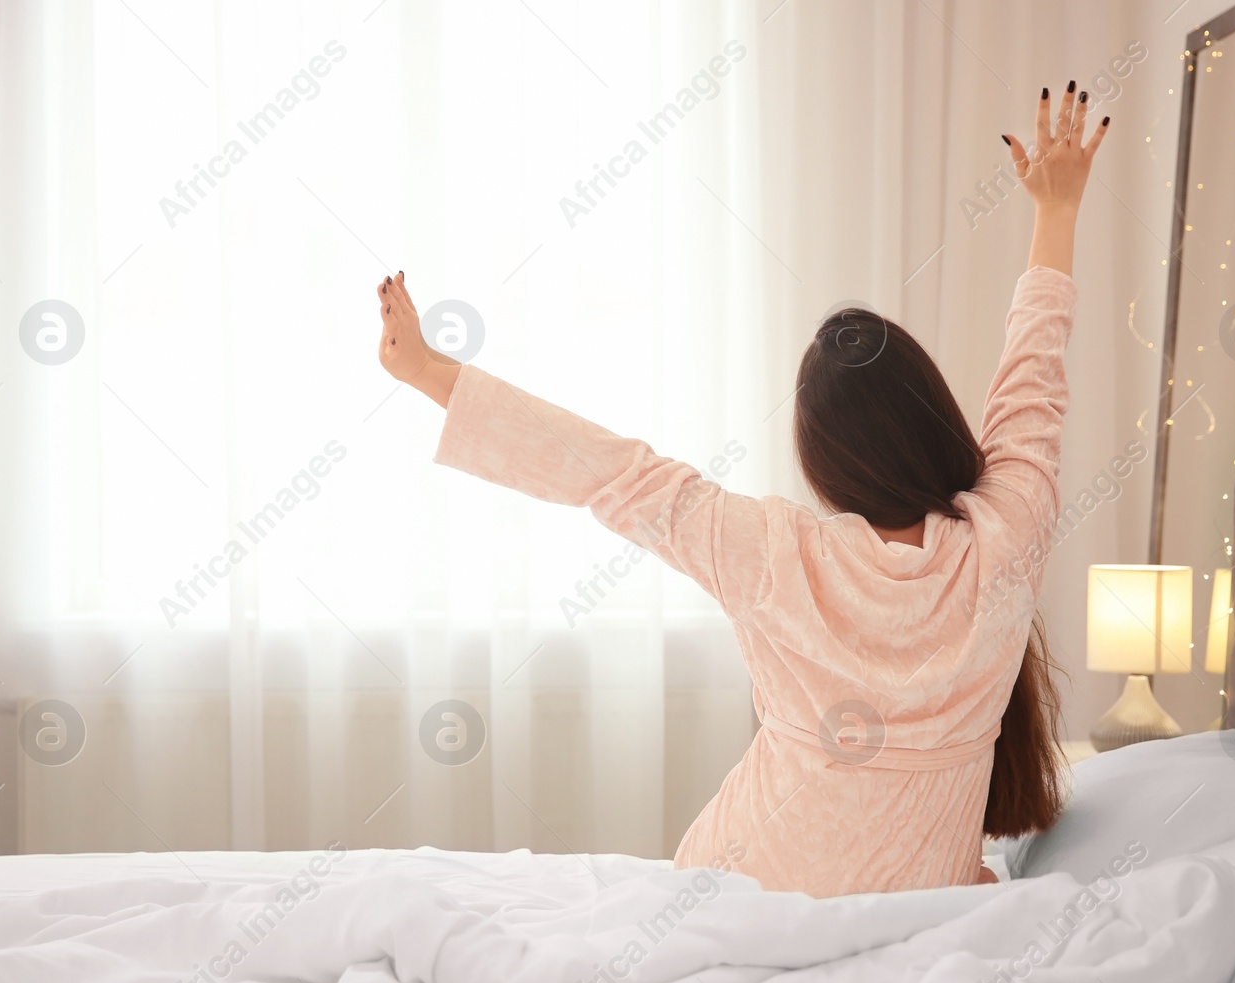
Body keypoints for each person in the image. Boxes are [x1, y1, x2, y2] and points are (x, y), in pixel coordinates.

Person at [375, 82, 1108, 897]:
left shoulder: (772, 549)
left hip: (736, 896)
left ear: (822, 460)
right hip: (877, 913)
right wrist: (1057, 210)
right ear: (934, 418)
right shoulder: (1007, 537)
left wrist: (432, 374)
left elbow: (609, 471)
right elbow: (1032, 382)